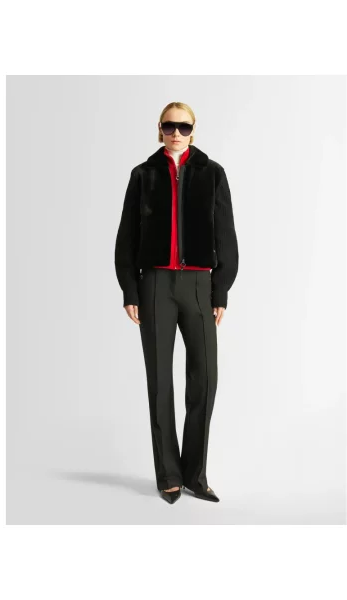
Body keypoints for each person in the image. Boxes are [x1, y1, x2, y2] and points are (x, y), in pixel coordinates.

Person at [114, 101, 239, 504]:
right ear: (160, 128)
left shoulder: (212, 173)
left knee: (205, 378)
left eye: (184, 127)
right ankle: (168, 474)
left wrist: (221, 290)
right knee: (160, 381)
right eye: (170, 126)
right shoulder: (143, 174)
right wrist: (130, 290)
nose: (176, 133)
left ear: (193, 129)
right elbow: (126, 235)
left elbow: (226, 235)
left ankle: (195, 475)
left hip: (200, 286)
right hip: (154, 284)